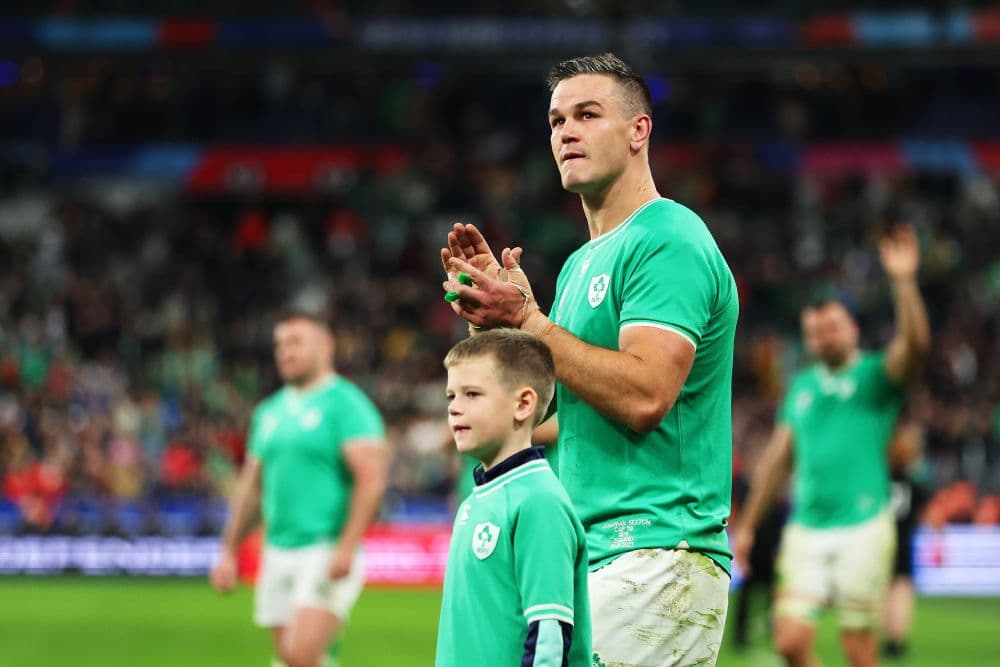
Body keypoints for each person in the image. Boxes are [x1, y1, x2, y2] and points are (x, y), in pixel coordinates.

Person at [440, 52, 738, 666]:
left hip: (655, 550)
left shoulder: (668, 238)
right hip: (591, 553)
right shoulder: (580, 264)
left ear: (638, 131)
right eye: (555, 121)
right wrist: (500, 329)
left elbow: (645, 395)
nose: (565, 132)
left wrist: (530, 320)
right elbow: (553, 414)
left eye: (587, 114)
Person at [733, 225, 930, 667]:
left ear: (852, 329)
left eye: (832, 328)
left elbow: (916, 346)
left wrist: (903, 282)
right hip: (807, 526)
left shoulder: (875, 377)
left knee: (859, 650)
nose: (824, 337)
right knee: (789, 640)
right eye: (815, 331)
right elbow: (778, 462)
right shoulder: (802, 387)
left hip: (863, 524)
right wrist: (746, 525)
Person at [210, 311, 388, 667]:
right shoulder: (269, 412)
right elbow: (251, 488)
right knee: (293, 659)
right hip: (276, 549)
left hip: (324, 546)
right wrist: (228, 550)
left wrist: (347, 546)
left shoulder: (347, 405)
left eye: (295, 343)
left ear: (325, 346)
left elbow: (372, 479)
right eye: (280, 345)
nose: (285, 353)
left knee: (301, 654)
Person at [435, 329, 591, 667]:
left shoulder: (539, 501)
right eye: (451, 397)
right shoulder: (475, 500)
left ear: (523, 404)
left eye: (472, 394)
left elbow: (549, 633)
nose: (455, 409)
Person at [883, 421, 932, 660]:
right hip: (903, 542)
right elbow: (927, 515)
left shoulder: (879, 480)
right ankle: (897, 640)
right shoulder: (914, 483)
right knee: (901, 590)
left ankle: (884, 637)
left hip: (881, 541)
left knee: (883, 590)